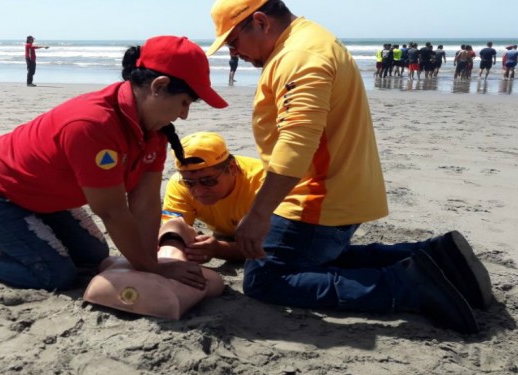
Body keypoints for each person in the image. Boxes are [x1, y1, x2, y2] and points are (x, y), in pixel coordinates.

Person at [207, 0, 493, 334]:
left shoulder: (299, 56)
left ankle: (410, 286)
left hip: (317, 197)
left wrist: (258, 215)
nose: (234, 51)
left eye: (233, 41)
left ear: (260, 21)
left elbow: (296, 144)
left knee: (266, 279)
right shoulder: (310, 40)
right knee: (313, 261)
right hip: (339, 189)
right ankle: (438, 256)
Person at [0, 36, 228, 292]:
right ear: (158, 86)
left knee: (93, 256)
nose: (184, 114)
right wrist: (153, 267)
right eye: (185, 102)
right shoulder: (93, 125)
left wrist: (149, 261)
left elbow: (144, 203)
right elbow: (113, 211)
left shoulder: (155, 129)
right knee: (54, 275)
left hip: (43, 196)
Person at [84, 217, 225, 320]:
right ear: (190, 243)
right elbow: (216, 285)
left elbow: (105, 264)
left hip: (102, 289)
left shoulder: (124, 261)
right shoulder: (194, 271)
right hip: (163, 299)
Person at [162, 132, 264, 263]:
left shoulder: (264, 183)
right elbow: (172, 231)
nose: (198, 192)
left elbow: (273, 246)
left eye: (208, 181)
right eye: (189, 183)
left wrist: (219, 249)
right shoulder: (178, 184)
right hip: (225, 235)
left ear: (232, 167)